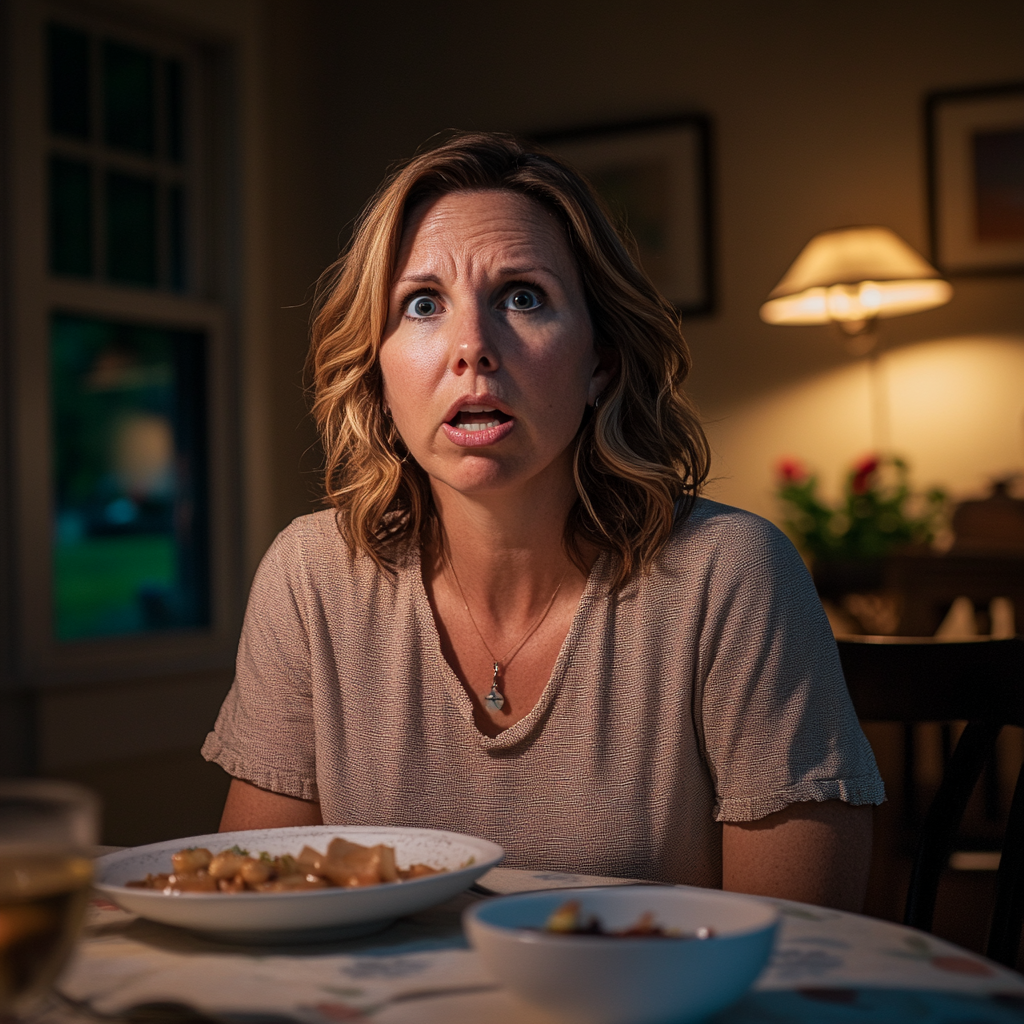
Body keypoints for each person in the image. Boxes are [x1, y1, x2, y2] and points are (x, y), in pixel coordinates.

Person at [203, 132, 884, 910]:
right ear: (378, 365)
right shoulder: (310, 576)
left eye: (522, 297)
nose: (472, 349)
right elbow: (252, 909)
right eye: (423, 305)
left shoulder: (731, 575)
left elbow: (797, 948)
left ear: (601, 360)